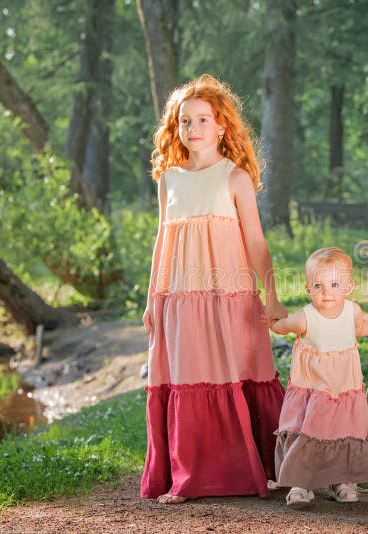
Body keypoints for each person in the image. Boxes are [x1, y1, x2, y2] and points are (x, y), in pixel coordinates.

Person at [140, 74, 287, 504]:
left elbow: (256, 242)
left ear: (221, 126)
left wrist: (272, 294)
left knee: (239, 371)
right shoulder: (169, 179)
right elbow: (161, 243)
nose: (193, 129)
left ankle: (263, 464)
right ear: (176, 127)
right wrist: (153, 300)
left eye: (202, 119)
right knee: (190, 377)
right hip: (181, 299)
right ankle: (190, 476)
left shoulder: (235, 177)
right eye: (185, 121)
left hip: (229, 295)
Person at [270, 247, 368, 508]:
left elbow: (363, 327)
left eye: (334, 284)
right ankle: (301, 482)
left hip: (344, 390)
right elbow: (282, 327)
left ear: (348, 287)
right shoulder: (305, 317)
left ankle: (341, 479)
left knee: (344, 430)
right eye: (318, 285)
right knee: (310, 431)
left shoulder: (352, 311)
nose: (326, 292)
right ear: (308, 289)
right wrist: (272, 321)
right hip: (314, 388)